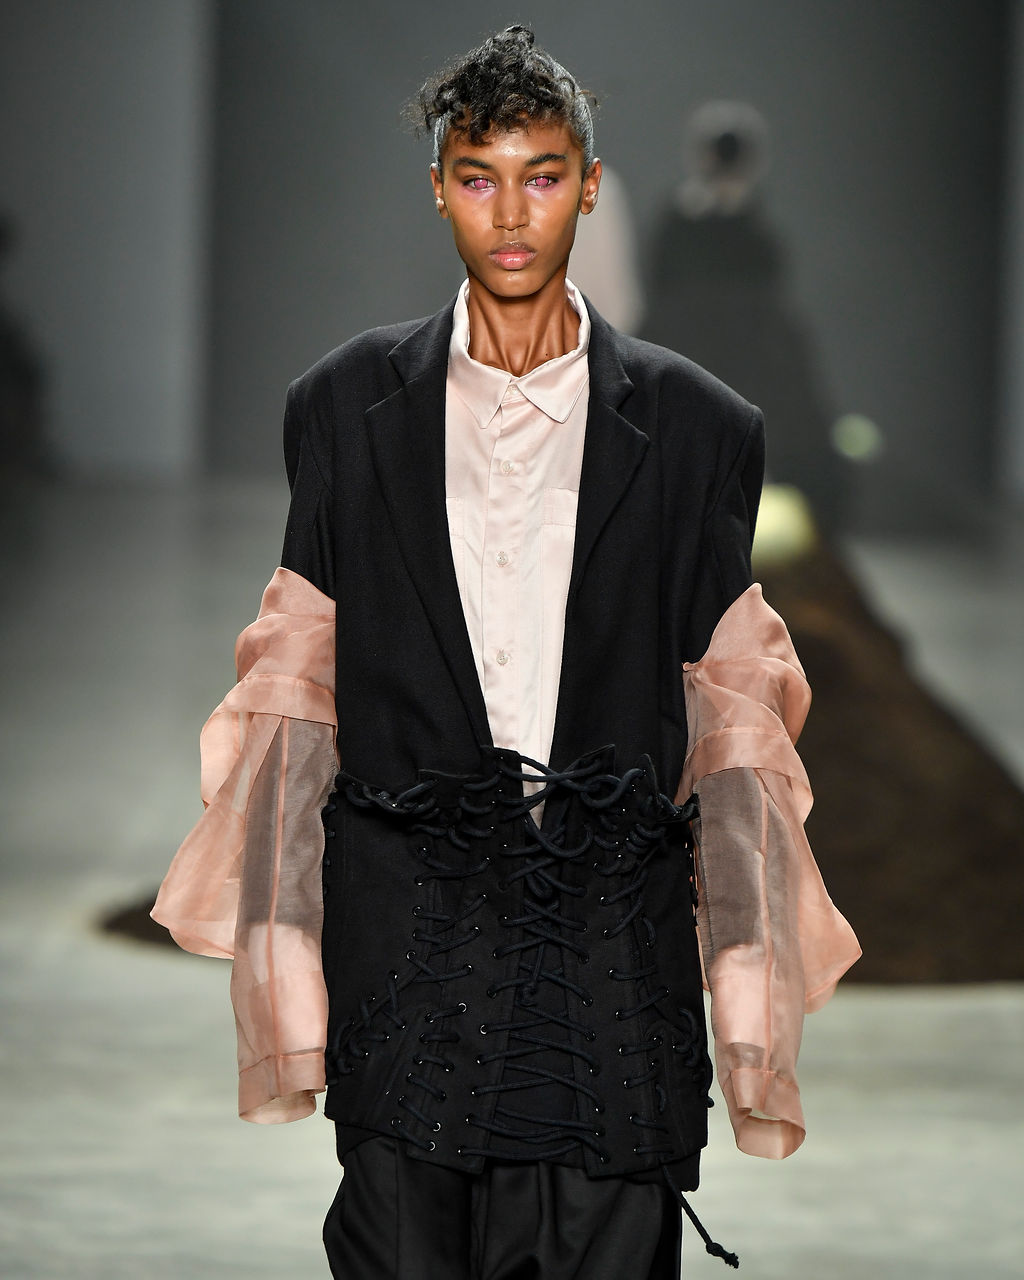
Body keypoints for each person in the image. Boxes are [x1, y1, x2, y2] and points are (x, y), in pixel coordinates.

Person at [153, 26, 860, 1279]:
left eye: (543, 175)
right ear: (439, 189)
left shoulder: (701, 427)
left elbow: (735, 729)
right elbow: (293, 696)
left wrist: (749, 1004)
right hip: (408, 950)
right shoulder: (342, 406)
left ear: (590, 185)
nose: (513, 212)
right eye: (480, 177)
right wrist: (283, 965)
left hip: (610, 961)